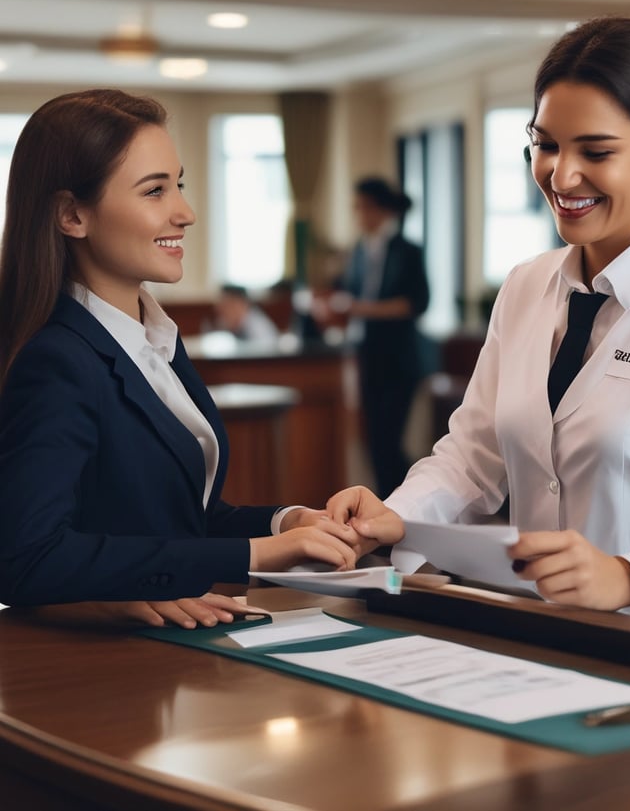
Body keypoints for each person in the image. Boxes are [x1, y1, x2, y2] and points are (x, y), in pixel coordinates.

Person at [323, 16, 630, 640]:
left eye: (596, 151)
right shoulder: (526, 286)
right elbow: (474, 457)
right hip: (541, 637)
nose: (560, 177)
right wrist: (393, 515)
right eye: (545, 144)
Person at [0, 89, 359, 628]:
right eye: (154, 191)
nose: (185, 213)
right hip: (88, 679)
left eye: (179, 184)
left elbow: (177, 521)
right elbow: (27, 559)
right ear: (72, 215)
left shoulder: (153, 339)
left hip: (158, 665)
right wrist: (255, 557)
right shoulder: (57, 360)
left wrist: (287, 524)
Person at [315, 177, 429, 497]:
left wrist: (360, 309)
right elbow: (345, 291)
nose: (358, 215)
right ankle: (389, 507)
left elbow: (416, 304)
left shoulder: (407, 251)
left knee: (389, 441)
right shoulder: (358, 252)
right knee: (373, 442)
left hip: (399, 359)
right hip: (367, 356)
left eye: (362, 208)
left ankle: (411, 504)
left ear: (380, 210)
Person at [213, 283, 279, 342]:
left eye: (225, 305)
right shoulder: (238, 324)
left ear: (239, 304)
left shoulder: (256, 328)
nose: (219, 309)